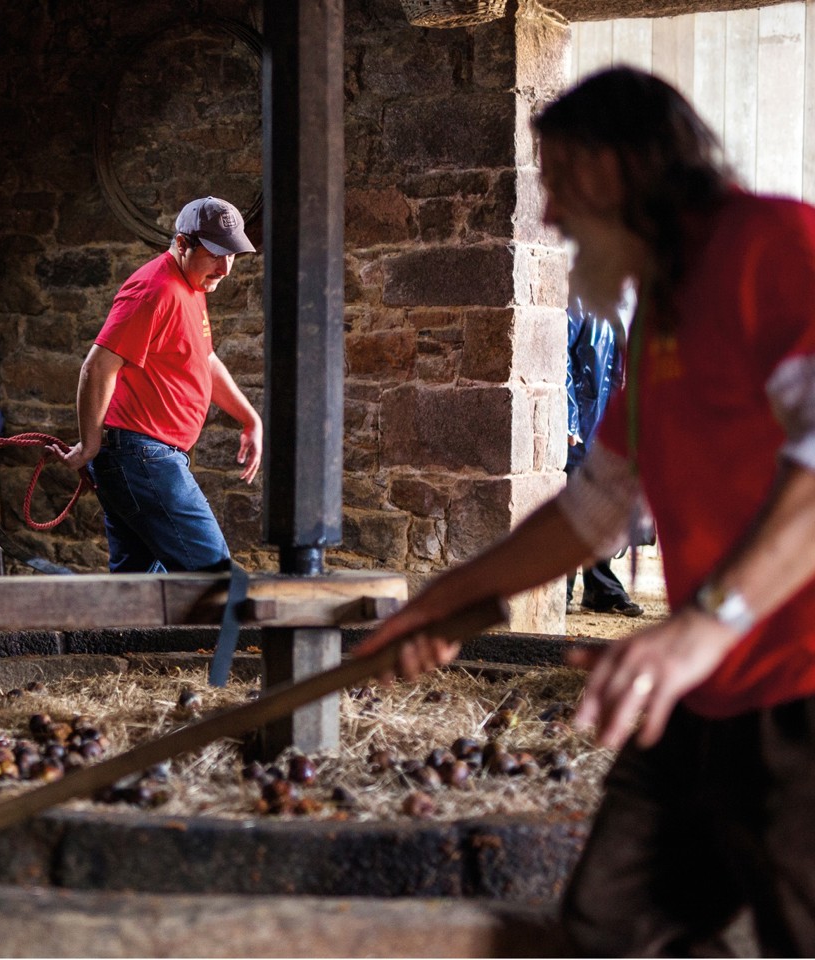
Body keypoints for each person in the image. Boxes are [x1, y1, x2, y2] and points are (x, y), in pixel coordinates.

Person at [356, 67, 815, 956]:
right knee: (611, 930)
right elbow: (595, 510)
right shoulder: (659, 322)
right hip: (703, 696)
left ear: (613, 168)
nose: (554, 216)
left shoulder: (774, 246)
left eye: (558, 183)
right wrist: (447, 598)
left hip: (800, 690)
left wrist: (704, 626)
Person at [53, 196, 263, 572]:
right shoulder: (155, 290)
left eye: (232, 255)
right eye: (216, 255)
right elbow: (97, 366)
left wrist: (250, 419)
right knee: (215, 580)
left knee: (141, 596)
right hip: (143, 455)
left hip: (143, 456)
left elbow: (205, 360)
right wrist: (89, 446)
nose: (226, 268)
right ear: (183, 244)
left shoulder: (193, 286)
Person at [566, 298, 643, 617]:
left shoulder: (638, 306)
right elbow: (562, 356)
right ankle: (564, 587)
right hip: (587, 420)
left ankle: (600, 587)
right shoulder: (582, 302)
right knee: (576, 499)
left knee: (605, 501)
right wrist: (569, 418)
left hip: (614, 421)